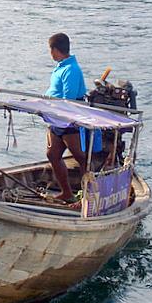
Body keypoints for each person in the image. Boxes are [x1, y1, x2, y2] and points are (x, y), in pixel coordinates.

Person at [45, 32, 87, 202]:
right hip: (56, 118)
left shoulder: (71, 69)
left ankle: (87, 195)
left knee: (80, 156)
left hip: (68, 118)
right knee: (52, 154)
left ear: (55, 50)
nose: (50, 54)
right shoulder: (60, 67)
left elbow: (68, 98)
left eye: (50, 50)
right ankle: (67, 193)